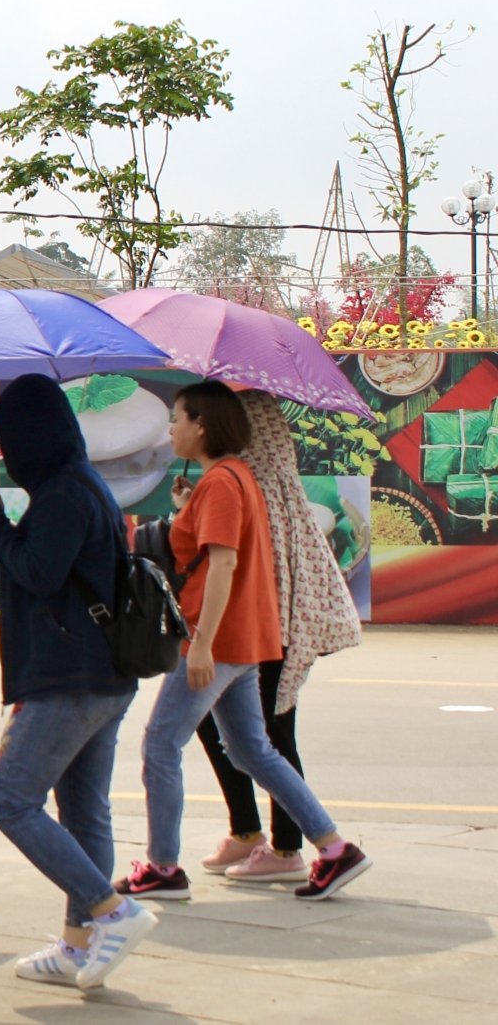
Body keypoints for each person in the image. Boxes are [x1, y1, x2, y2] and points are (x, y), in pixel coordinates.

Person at [118, 380, 372, 904]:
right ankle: (332, 848)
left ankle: (163, 866)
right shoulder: (232, 479)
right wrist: (190, 506)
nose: (171, 428)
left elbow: (224, 564)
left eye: (179, 418)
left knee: (161, 746)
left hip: (222, 640)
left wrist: (204, 643)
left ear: (202, 426)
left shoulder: (224, 483)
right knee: (253, 750)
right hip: (245, 638)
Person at [0, 374, 156, 990]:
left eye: (8, 438)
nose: (5, 453)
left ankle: (112, 912)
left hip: (70, 678)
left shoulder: (64, 494)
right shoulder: (77, 484)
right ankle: (78, 945)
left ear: (32, 437)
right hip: (102, 674)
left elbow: (39, 572)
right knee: (83, 813)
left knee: (11, 802)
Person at [195, 391, 363, 884]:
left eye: (189, 417)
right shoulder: (269, 483)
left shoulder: (245, 486)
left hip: (264, 628)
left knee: (265, 734)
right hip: (272, 625)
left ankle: (291, 847)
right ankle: (249, 832)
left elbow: (230, 565)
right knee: (232, 726)